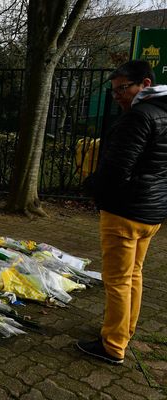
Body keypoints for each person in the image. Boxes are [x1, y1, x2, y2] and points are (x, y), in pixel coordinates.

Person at [78, 60, 167, 364]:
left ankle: (113, 346)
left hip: (125, 212)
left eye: (122, 89)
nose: (117, 96)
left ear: (144, 84)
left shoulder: (138, 117)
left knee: (116, 280)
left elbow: (116, 171)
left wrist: (92, 187)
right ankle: (124, 330)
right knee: (134, 274)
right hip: (152, 213)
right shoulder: (163, 113)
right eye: (113, 91)